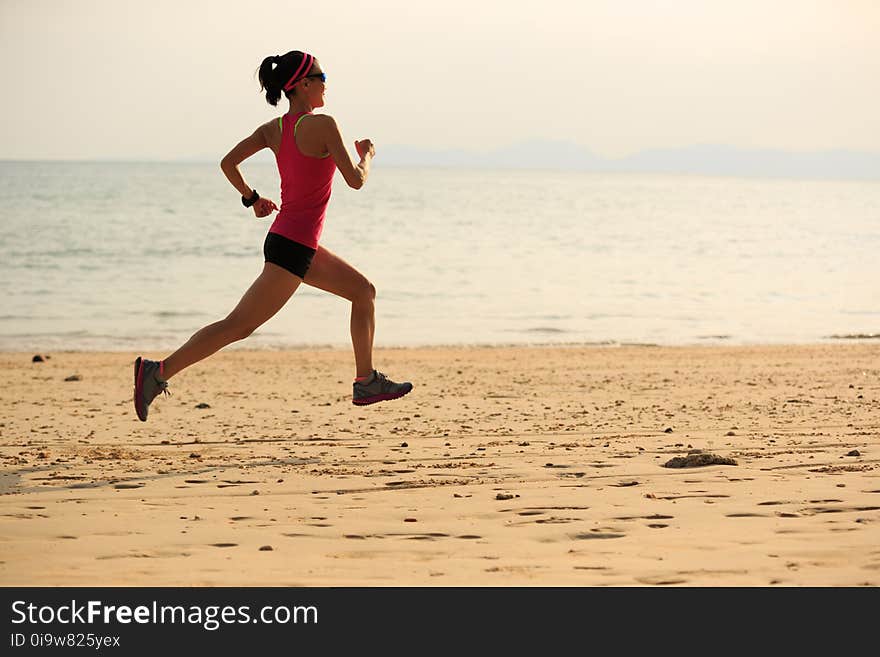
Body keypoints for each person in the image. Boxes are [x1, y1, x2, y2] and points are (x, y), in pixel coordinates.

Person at [133, 50, 412, 421]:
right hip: (292, 248)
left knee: (363, 292)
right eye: (321, 75)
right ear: (301, 84)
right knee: (238, 326)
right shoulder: (325, 125)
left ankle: (366, 381)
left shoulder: (273, 129)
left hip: (296, 243)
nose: (326, 82)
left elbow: (227, 163)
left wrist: (252, 199)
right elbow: (356, 181)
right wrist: (367, 154)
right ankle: (158, 372)